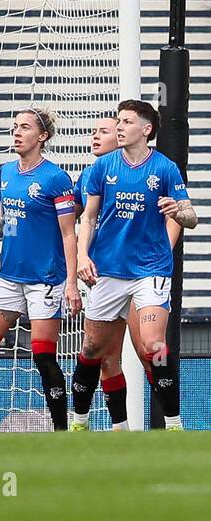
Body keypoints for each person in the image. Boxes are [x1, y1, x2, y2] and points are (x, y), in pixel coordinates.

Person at [72, 100, 197, 430]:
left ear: (146, 129)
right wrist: (83, 256)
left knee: (154, 346)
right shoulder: (102, 168)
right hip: (108, 270)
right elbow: (88, 216)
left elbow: (191, 217)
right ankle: (80, 421)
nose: (119, 127)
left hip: (150, 270)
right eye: (118, 121)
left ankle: (173, 424)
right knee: (93, 348)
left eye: (126, 121)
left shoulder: (166, 169)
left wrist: (177, 210)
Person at [0, 108, 80, 430]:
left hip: (44, 279)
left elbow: (69, 232)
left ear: (42, 136)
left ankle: (61, 430)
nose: (16, 132)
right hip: (8, 277)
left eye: (25, 128)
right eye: (14, 127)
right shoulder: (6, 172)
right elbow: (8, 219)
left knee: (43, 357)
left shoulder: (55, 178)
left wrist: (70, 284)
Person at [68, 116, 131, 429]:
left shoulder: (146, 170)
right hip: (102, 275)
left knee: (150, 350)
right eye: (93, 132)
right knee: (103, 354)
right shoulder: (90, 174)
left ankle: (173, 425)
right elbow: (72, 219)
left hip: (138, 274)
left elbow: (170, 217)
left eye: (103, 132)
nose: (94, 137)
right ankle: (114, 428)